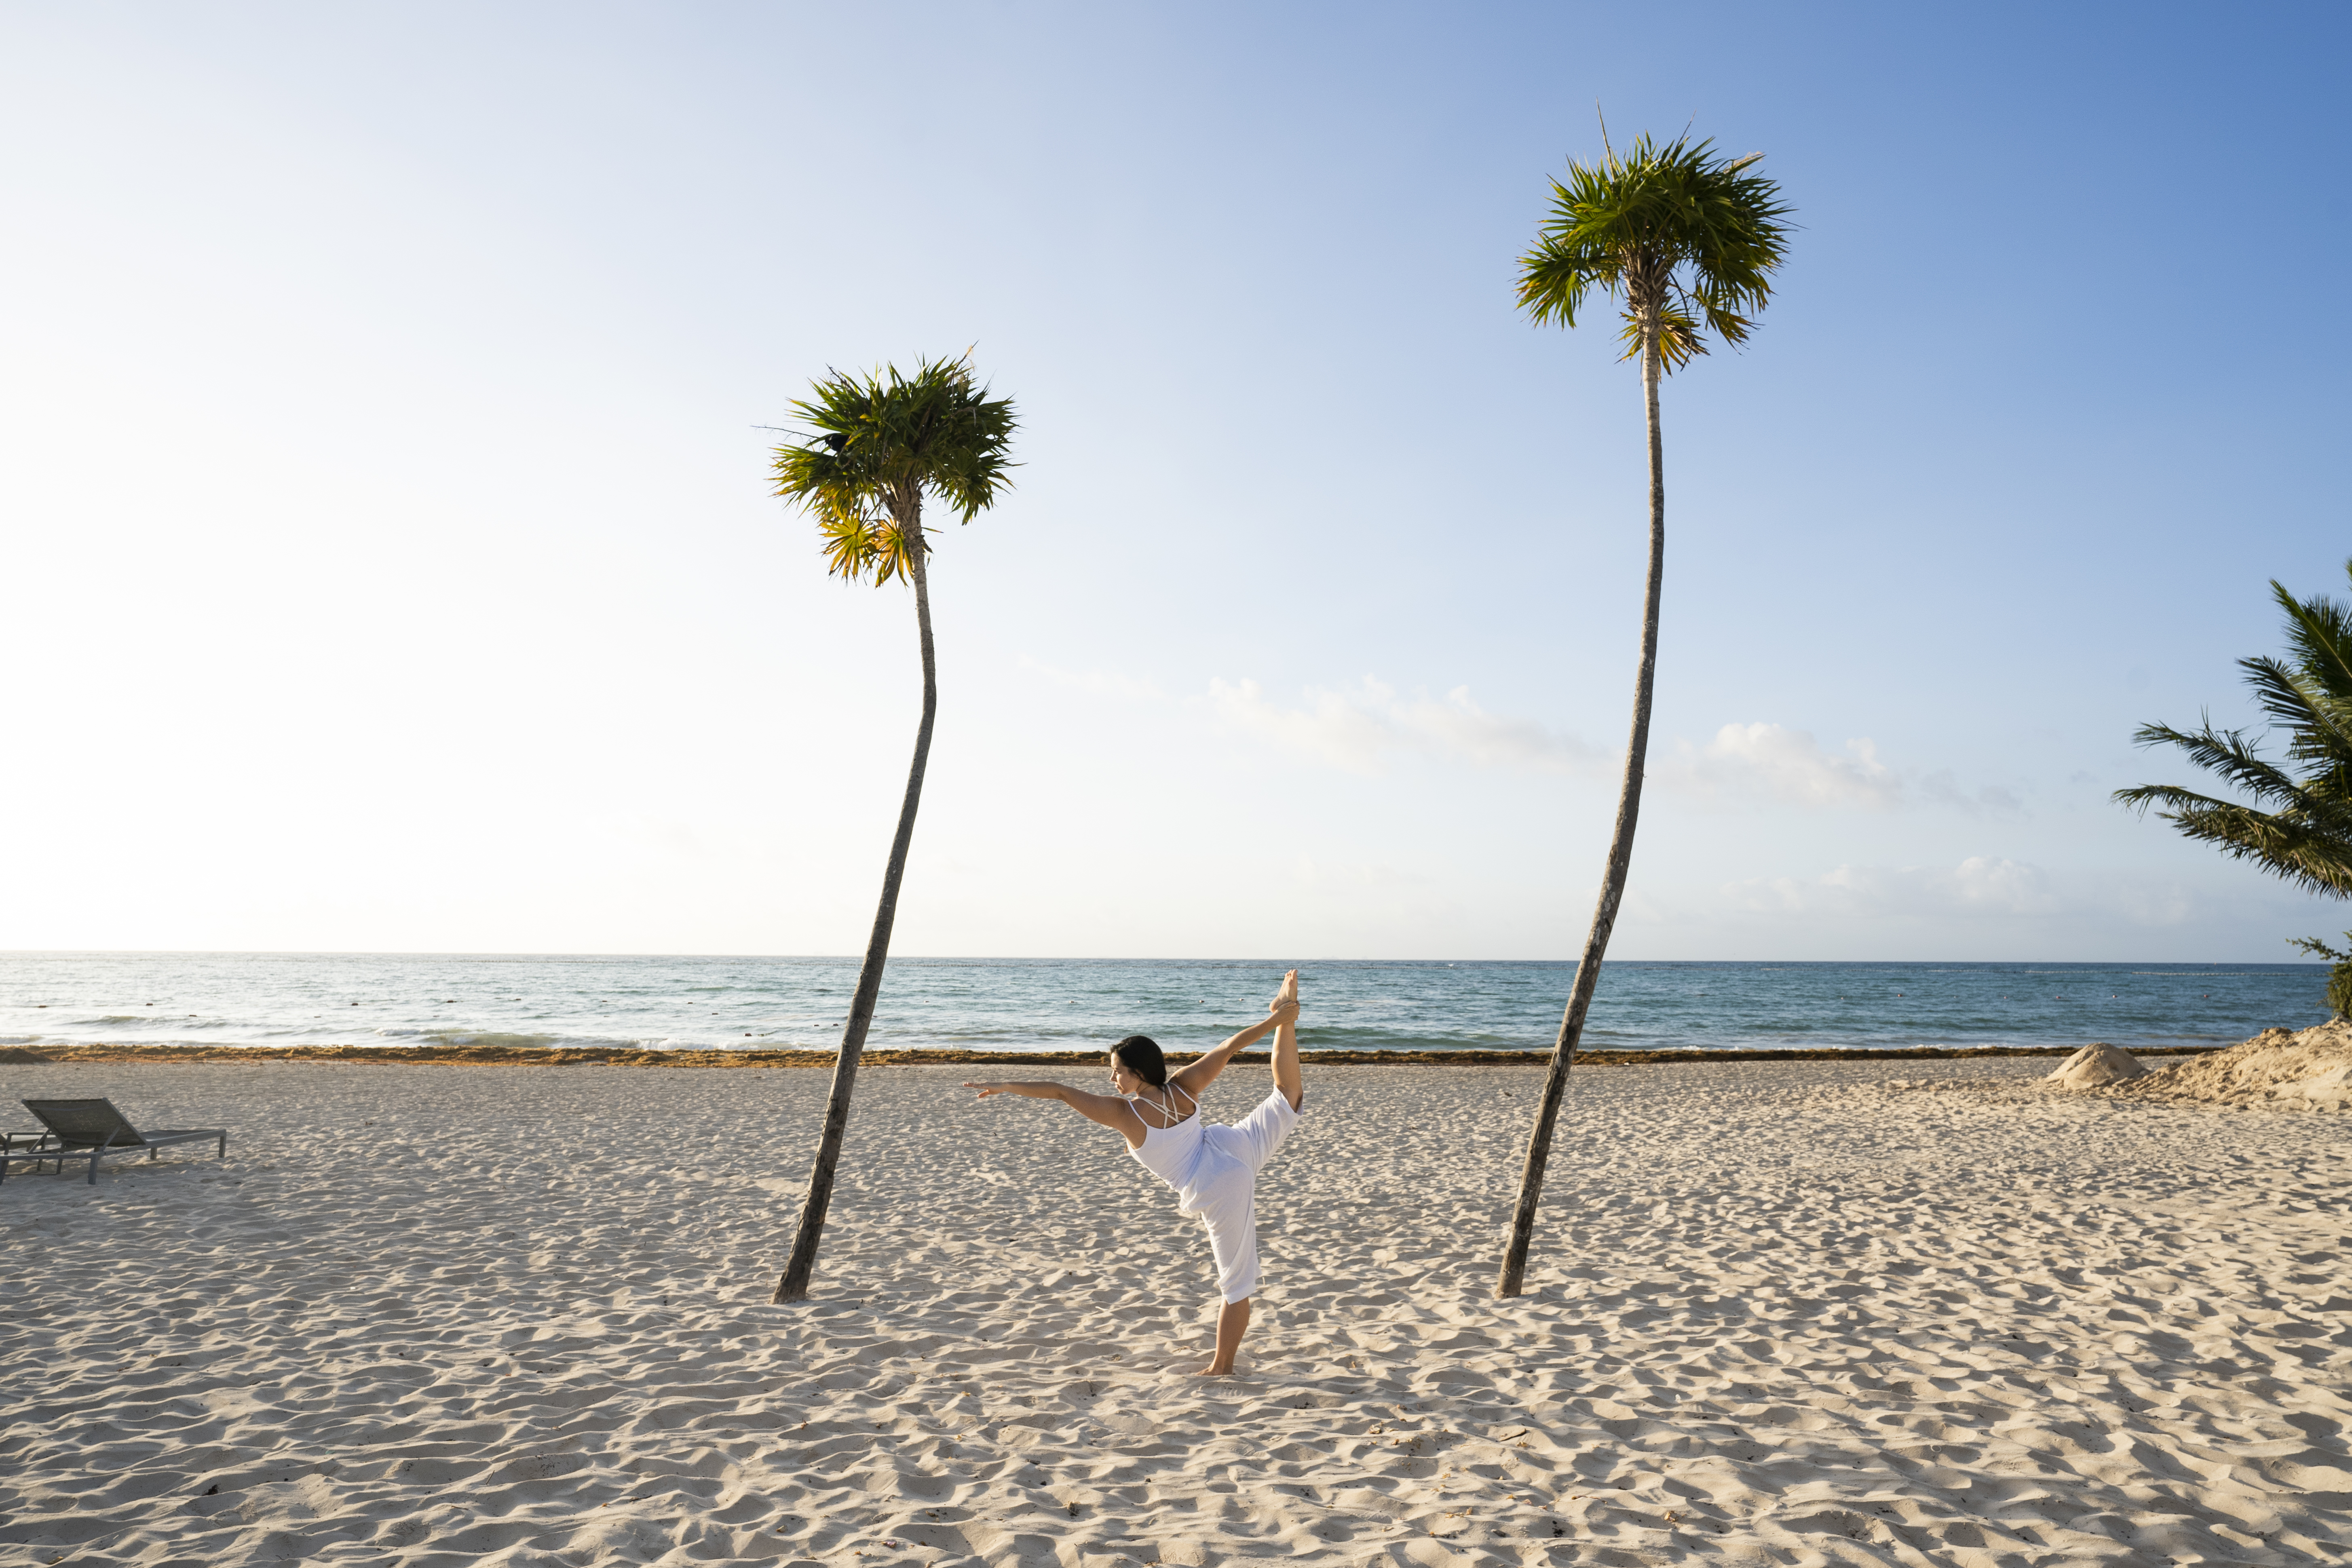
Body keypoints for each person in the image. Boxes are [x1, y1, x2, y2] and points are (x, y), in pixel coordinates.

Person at [963, 969, 1305, 1375]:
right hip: (1229, 1146)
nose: (1112, 1079)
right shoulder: (1183, 1087)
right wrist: (1276, 1022)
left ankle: (1222, 1366)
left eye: (1117, 1071)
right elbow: (1230, 1047)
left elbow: (1060, 1091)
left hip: (1219, 1184)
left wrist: (1004, 1085)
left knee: (1236, 1279)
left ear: (1138, 1072)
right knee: (1287, 1096)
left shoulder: (1125, 1115)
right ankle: (1288, 1015)